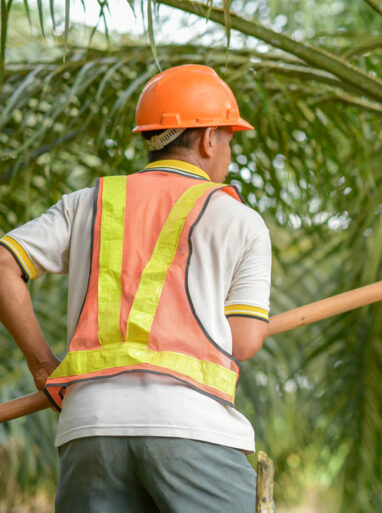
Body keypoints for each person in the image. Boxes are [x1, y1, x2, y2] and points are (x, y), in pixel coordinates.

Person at [0, 64, 272, 512]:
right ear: (208, 139)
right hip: (192, 426)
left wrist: (43, 365)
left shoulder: (87, 203)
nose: (228, 152)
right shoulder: (238, 220)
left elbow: (4, 264)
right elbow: (243, 341)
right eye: (229, 138)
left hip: (90, 428)